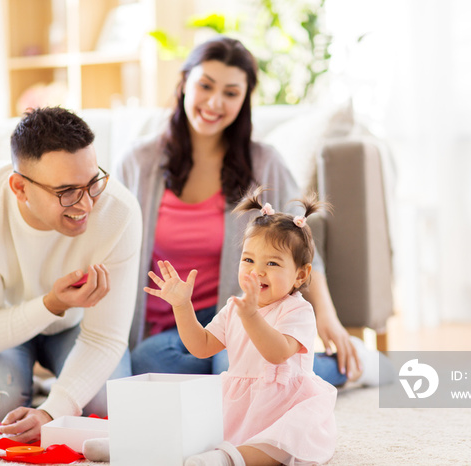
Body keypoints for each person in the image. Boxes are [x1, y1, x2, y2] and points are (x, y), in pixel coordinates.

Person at [116, 35, 362, 386]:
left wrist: (328, 317)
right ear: (185, 83)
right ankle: (240, 371)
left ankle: (340, 365)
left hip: (242, 311)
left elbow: (301, 240)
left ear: (244, 99)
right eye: (205, 86)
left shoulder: (264, 162)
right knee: (147, 363)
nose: (215, 102)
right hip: (170, 323)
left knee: (238, 369)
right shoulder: (139, 162)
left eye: (231, 93)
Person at [0, 107, 142, 443]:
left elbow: (106, 337)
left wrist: (51, 411)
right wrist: (51, 303)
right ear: (20, 188)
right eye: (66, 192)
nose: (86, 205)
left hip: (76, 328)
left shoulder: (119, 212)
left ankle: (47, 387)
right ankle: (23, 379)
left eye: (92, 183)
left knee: (107, 407)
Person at [144, 189, 338, 466]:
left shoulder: (298, 311)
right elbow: (201, 347)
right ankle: (138, 445)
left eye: (272, 263)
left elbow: (277, 352)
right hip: (237, 400)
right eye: (249, 260)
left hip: (283, 406)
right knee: (191, 424)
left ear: (300, 274)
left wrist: (251, 317)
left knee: (280, 444)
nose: (257, 271)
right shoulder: (236, 307)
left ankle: (228, 459)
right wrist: (182, 306)